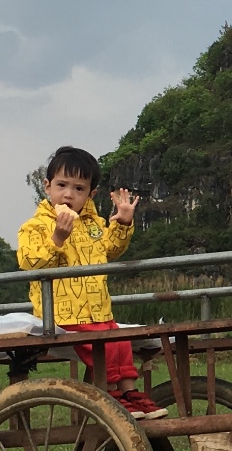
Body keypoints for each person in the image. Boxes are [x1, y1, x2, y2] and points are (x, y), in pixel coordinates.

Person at [18, 145, 166, 420]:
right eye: (62, 185)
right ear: (47, 186)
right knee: (105, 345)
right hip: (62, 313)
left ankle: (127, 392)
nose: (68, 194)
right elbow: (30, 262)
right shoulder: (35, 226)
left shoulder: (93, 224)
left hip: (98, 310)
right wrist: (58, 238)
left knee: (120, 341)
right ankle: (110, 396)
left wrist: (122, 223)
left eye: (79, 188)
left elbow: (110, 250)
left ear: (90, 194)